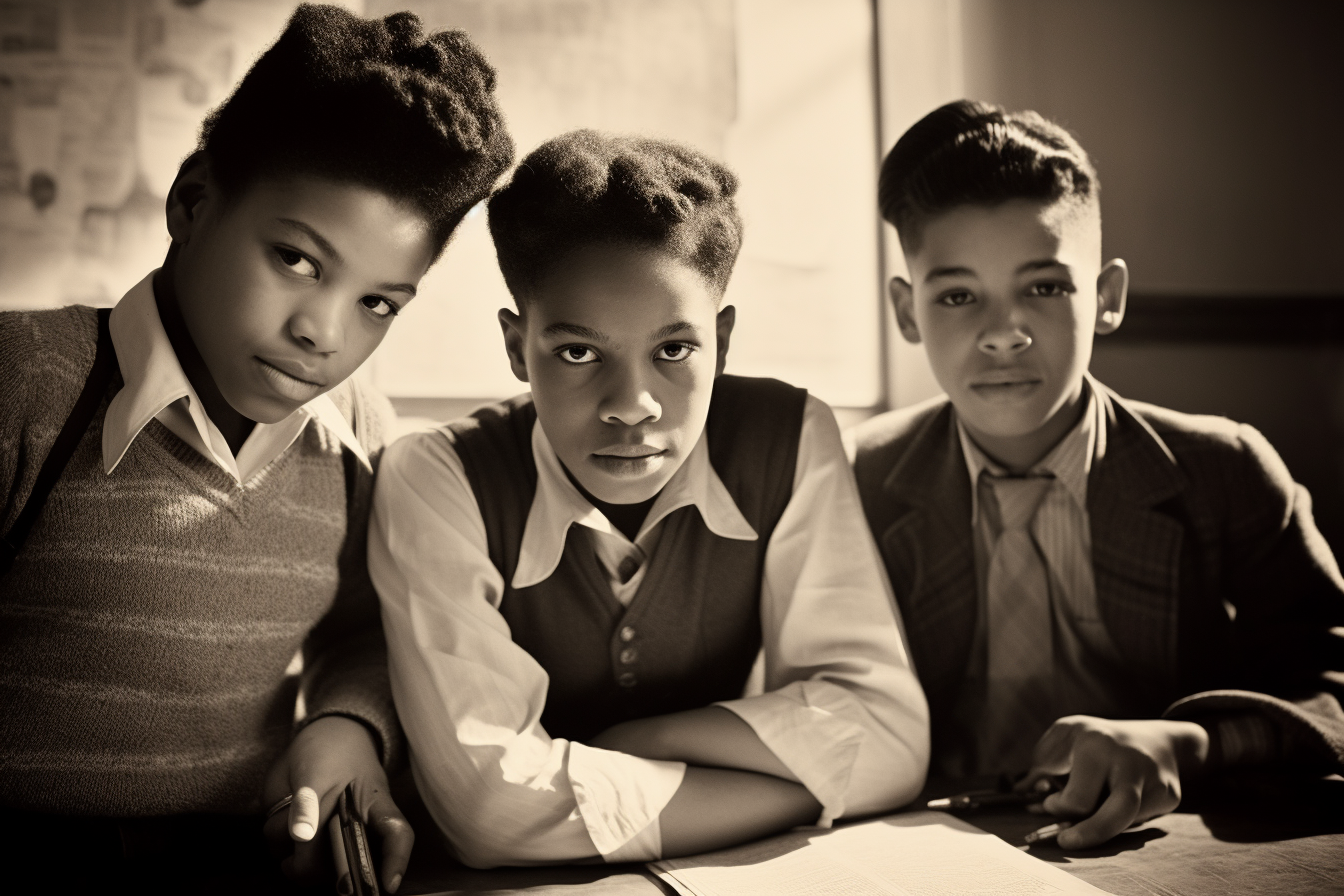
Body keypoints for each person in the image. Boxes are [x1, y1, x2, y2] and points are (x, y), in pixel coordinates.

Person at [0, 5, 512, 890]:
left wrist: (346, 728)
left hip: (248, 864)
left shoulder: (357, 427)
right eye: (298, 260)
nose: (324, 333)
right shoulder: (27, 381)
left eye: (378, 303)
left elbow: (366, 632)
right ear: (192, 203)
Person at [370, 130, 930, 868]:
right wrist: (801, 791)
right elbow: (489, 811)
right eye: (578, 353)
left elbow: (890, 737)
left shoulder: (788, 437)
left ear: (721, 342)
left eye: (674, 351)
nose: (632, 405)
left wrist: (639, 743)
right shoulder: (438, 475)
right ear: (517, 347)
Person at [851, 99, 1344, 850]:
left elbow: (1332, 683)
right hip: (920, 846)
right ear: (906, 311)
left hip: (1165, 847)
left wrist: (1189, 742)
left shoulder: (1222, 470)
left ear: (1107, 297)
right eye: (957, 295)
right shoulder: (857, 480)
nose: (1004, 332)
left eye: (1044, 287)